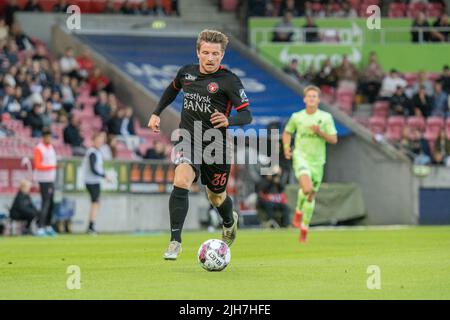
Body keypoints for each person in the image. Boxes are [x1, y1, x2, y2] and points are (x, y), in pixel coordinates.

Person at [147, 29, 253, 260]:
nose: (210, 58)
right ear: (198, 52)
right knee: (181, 179)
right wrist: (156, 113)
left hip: (217, 146)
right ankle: (175, 241)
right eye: (206, 52)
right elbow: (172, 89)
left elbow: (247, 115)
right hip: (189, 139)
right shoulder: (186, 73)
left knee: (216, 196)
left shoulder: (229, 81)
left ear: (222, 55)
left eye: (215, 53)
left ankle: (228, 220)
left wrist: (229, 120)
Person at [282, 85, 337, 243]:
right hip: (301, 156)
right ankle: (298, 211)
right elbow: (287, 132)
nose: (312, 98)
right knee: (306, 188)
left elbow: (333, 139)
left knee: (311, 195)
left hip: (318, 161)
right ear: (305, 99)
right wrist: (287, 148)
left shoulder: (325, 118)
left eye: (315, 96)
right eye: (309, 96)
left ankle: (304, 228)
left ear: (318, 100)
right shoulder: (297, 117)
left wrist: (319, 132)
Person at [82, 131, 110, 234]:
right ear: (94, 141)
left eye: (101, 141)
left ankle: (91, 225)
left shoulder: (97, 152)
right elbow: (93, 169)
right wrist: (104, 176)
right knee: (95, 203)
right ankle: (91, 227)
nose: (100, 142)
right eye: (98, 140)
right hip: (92, 181)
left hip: (94, 181)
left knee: (96, 203)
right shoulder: (92, 152)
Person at [33, 127, 58, 236]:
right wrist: (53, 167)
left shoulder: (51, 147)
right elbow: (38, 165)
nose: (49, 138)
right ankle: (40, 226)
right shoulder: (39, 148)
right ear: (43, 137)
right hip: (43, 179)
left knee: (51, 203)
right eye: (47, 136)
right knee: (45, 203)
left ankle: (48, 225)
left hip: (51, 179)